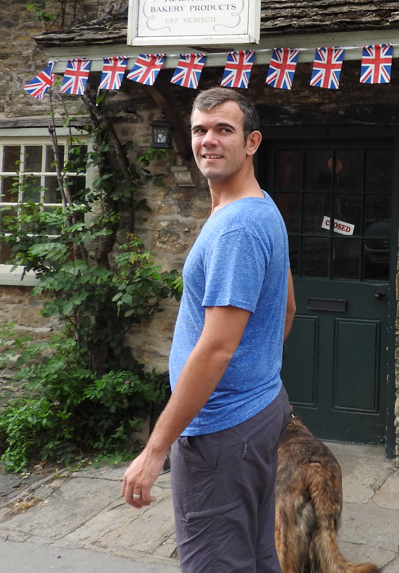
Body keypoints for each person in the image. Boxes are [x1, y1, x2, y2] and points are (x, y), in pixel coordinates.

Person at [122, 87, 296, 573]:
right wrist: (253, 373)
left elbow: (218, 348)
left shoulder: (236, 229)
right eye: (200, 129)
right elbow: (286, 309)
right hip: (260, 411)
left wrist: (155, 450)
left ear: (252, 141)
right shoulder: (261, 207)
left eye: (224, 129)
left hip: (221, 429)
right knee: (259, 555)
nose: (208, 140)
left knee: (215, 562)